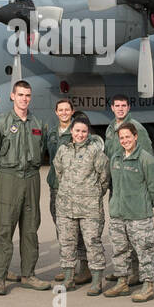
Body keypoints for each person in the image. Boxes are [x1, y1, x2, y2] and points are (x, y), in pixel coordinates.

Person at [0, 81, 50, 295]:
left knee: (30, 229)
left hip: (31, 177)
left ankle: (28, 274)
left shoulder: (38, 122)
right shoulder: (1, 122)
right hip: (9, 178)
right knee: (4, 230)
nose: (24, 99)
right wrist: (2, 176)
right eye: (20, 94)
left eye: (27, 95)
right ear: (12, 96)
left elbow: (40, 149)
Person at [52, 115, 110, 295]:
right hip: (66, 206)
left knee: (92, 243)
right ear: (71, 131)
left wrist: (91, 193)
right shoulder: (63, 150)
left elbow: (104, 177)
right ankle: (69, 278)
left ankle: (96, 281)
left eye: (84, 131)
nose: (80, 134)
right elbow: (59, 172)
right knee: (67, 242)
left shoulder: (95, 151)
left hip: (89, 207)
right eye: (77, 131)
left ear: (88, 133)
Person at [105, 124, 154, 302]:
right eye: (121, 138)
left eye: (127, 137)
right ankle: (122, 281)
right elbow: (111, 184)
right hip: (118, 214)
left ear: (135, 136)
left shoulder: (146, 159)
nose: (124, 141)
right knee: (120, 250)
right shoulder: (115, 158)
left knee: (144, 251)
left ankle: (147, 285)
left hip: (139, 216)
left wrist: (143, 204)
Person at [46, 97, 85, 283]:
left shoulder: (78, 132)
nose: (63, 112)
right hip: (56, 187)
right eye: (60, 110)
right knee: (62, 228)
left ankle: (84, 267)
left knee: (81, 228)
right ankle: (67, 266)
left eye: (66, 110)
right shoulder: (52, 133)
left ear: (72, 111)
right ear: (56, 112)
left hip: (75, 188)